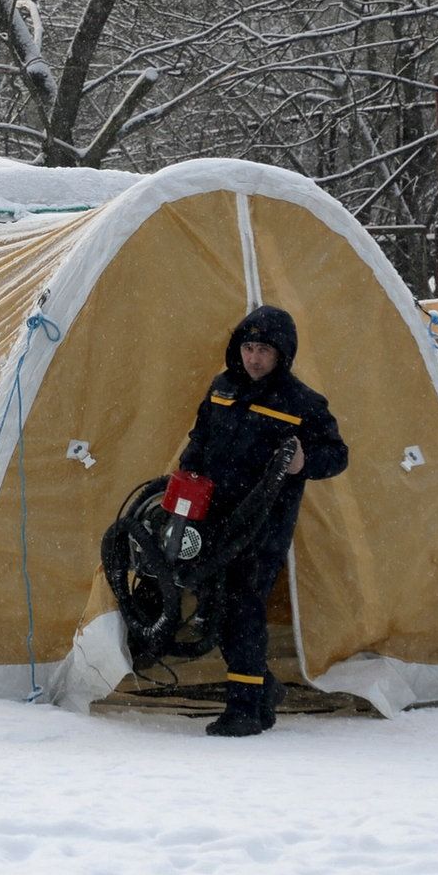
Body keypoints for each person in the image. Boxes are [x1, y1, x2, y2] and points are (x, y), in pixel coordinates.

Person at [178, 304, 348, 737]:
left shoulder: (301, 402)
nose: (254, 358)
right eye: (249, 347)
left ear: (282, 354)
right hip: (213, 518)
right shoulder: (223, 388)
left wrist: (305, 461)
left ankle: (245, 709)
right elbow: (201, 437)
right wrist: (186, 477)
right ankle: (264, 688)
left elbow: (337, 455)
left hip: (262, 529)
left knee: (244, 609)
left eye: (264, 351)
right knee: (214, 605)